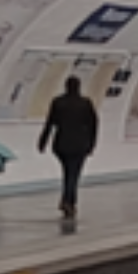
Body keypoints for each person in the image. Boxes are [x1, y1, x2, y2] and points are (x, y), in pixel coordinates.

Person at [39, 76, 98, 218]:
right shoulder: (85, 103)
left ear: (66, 86)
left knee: (67, 172)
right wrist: (92, 143)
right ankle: (68, 201)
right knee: (73, 174)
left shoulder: (58, 102)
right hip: (80, 145)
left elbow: (49, 123)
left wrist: (42, 142)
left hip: (61, 144)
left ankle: (68, 201)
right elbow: (93, 124)